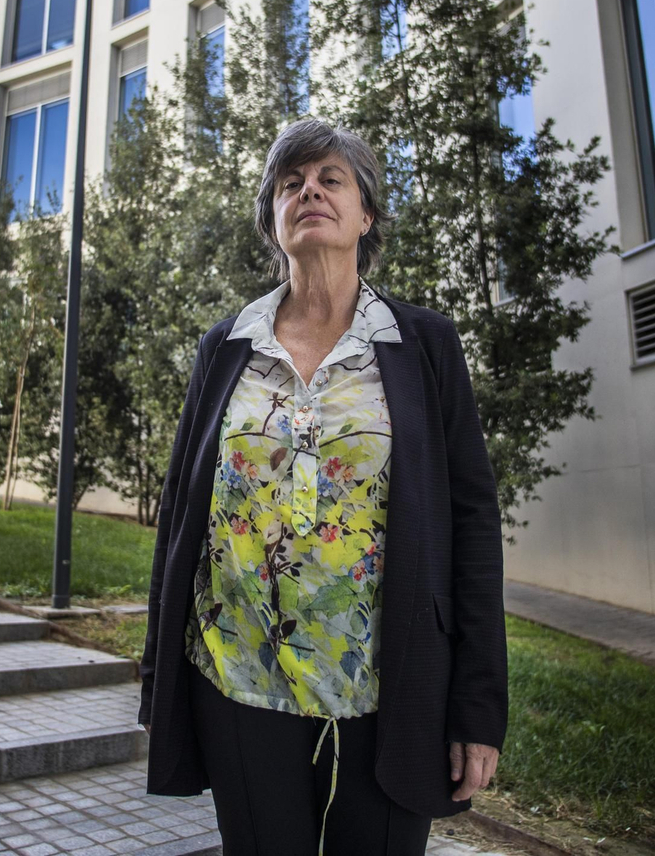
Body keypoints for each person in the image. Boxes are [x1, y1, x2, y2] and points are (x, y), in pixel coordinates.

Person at [139, 118, 509, 855]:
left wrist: (477, 704)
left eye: (329, 179)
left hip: (385, 689)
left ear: (365, 213)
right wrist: (158, 675)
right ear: (274, 219)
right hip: (237, 678)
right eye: (290, 183)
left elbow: (470, 521)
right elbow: (182, 508)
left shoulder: (422, 344)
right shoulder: (226, 347)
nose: (308, 191)